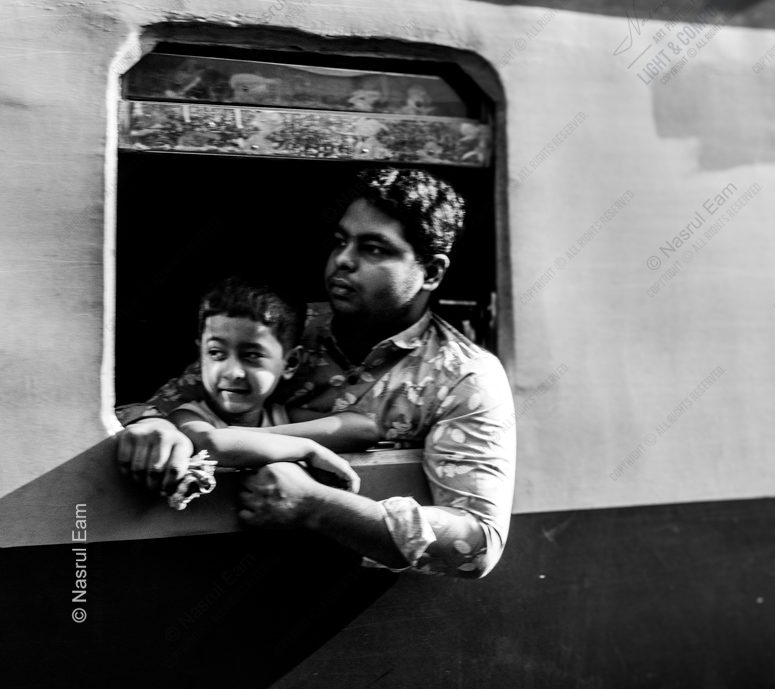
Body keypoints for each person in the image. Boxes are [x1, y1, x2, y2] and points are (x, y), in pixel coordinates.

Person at [116, 168, 516, 578]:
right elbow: (152, 407)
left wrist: (318, 506)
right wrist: (153, 425)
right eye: (342, 242)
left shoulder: (463, 377)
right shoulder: (280, 331)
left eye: (374, 248)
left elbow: (477, 544)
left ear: (431, 272)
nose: (343, 259)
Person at [161, 277, 377, 508]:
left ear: (290, 362)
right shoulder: (188, 416)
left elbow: (364, 429)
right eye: (216, 353)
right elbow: (214, 443)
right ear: (200, 354)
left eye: (252, 355)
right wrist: (309, 449)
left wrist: (265, 435)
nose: (233, 372)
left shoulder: (279, 417)